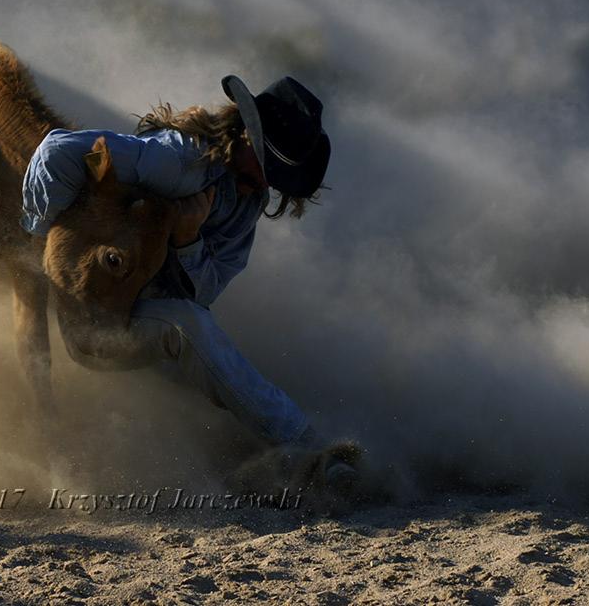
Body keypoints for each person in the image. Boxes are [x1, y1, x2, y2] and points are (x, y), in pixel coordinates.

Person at [21, 74, 354, 482]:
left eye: (277, 176)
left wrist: (188, 239)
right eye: (266, 165)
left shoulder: (246, 204)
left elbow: (207, 291)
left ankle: (260, 457)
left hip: (141, 318)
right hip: (95, 324)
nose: (267, 183)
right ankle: (309, 449)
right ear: (244, 135)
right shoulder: (178, 161)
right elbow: (61, 151)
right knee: (188, 326)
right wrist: (40, 237)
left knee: (200, 335)